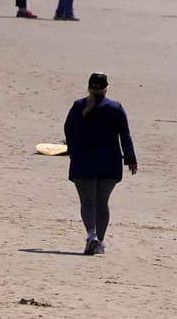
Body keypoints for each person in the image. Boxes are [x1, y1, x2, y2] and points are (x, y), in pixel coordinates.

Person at [63, 72, 138, 255]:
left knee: (87, 201)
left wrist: (73, 149)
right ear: (106, 88)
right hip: (109, 163)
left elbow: (68, 129)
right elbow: (125, 135)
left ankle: (91, 235)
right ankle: (100, 242)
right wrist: (131, 159)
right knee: (102, 203)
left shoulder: (78, 106)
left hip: (83, 161)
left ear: (89, 87)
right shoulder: (115, 108)